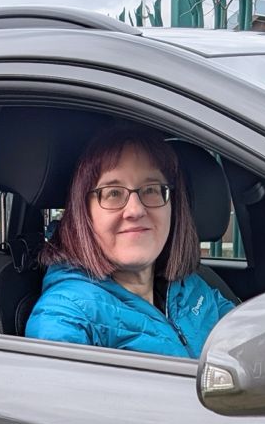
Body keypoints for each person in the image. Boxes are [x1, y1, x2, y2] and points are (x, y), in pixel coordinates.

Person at [25, 124, 236, 359]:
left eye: (151, 189)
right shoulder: (66, 318)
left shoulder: (192, 287)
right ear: (84, 213)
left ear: (172, 206)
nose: (135, 210)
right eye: (113, 193)